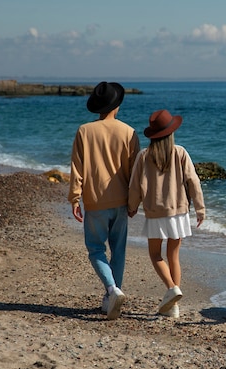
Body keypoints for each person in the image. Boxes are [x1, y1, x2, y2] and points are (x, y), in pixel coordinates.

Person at [68, 81, 140, 320]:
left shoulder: (84, 131)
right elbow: (134, 173)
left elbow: (77, 169)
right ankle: (112, 295)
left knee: (96, 249)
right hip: (121, 200)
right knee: (118, 250)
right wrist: (134, 202)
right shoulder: (129, 132)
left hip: (95, 200)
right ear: (117, 106)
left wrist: (75, 198)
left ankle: (112, 291)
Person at [128, 109, 205, 319]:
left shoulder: (144, 155)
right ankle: (174, 305)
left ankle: (172, 289)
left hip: (154, 212)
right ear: (171, 132)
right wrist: (200, 208)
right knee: (174, 256)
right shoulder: (180, 152)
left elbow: (135, 185)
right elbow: (193, 181)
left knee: (155, 255)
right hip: (179, 212)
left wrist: (132, 206)